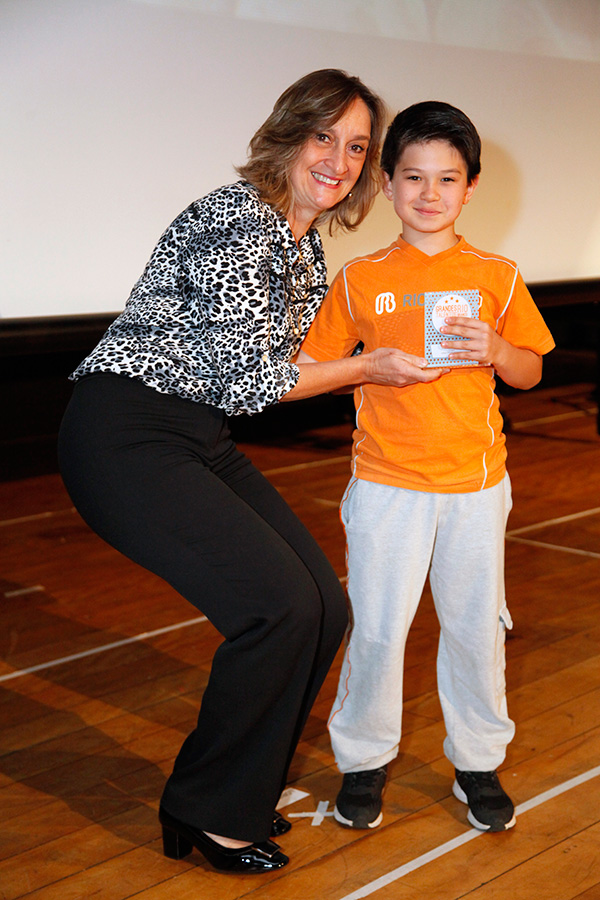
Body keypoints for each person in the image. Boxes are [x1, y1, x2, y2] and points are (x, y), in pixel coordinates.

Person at [57, 71, 446, 875]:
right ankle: (206, 809)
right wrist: (368, 365)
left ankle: (235, 790)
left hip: (194, 432)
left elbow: (277, 368)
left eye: (357, 147)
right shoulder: (238, 219)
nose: (337, 160)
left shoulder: (302, 244)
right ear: (288, 135)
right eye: (323, 137)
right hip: (127, 435)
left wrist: (397, 339)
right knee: (277, 608)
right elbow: (251, 380)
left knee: (323, 608)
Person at [299, 100, 555, 835]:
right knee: (380, 630)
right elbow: (311, 368)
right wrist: (367, 367)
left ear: (470, 188)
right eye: (413, 176)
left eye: (447, 178)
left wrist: (497, 351)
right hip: (387, 484)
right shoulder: (359, 277)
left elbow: (532, 370)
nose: (429, 192)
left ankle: (478, 759)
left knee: (475, 629)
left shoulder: (497, 275)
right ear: (386, 184)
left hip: (476, 485)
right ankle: (363, 760)